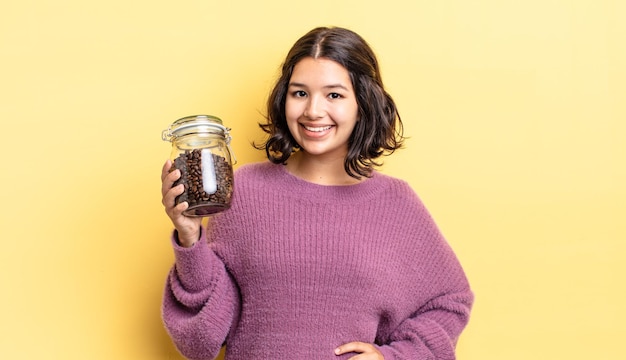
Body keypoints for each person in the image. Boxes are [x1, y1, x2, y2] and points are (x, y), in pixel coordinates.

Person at [160, 26, 473, 359]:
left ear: (362, 103)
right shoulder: (244, 191)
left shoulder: (397, 203)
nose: (312, 111)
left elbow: (449, 302)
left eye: (334, 95)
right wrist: (191, 239)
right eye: (300, 93)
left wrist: (394, 356)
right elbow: (201, 339)